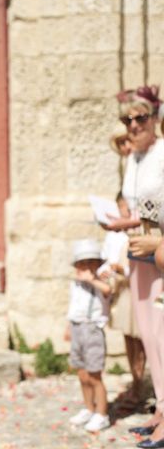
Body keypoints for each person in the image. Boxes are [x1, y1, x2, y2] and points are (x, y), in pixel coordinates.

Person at [106, 85, 164, 448]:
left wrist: (157, 242)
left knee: (163, 334)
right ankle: (161, 408)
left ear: (155, 118)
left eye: (140, 117)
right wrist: (119, 225)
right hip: (138, 255)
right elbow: (140, 211)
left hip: (159, 255)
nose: (133, 125)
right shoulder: (132, 160)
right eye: (126, 119)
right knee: (149, 335)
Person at [65, 239, 112, 432]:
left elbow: (108, 290)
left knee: (94, 375)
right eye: (81, 263)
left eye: (90, 262)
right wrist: (68, 327)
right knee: (82, 374)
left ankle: (102, 414)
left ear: (98, 264)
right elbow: (73, 305)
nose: (85, 267)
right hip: (77, 328)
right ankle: (89, 408)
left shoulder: (101, 283)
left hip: (92, 330)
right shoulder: (75, 284)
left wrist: (92, 279)